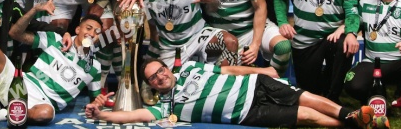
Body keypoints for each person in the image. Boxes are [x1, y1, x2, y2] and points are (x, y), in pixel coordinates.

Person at [86, 58, 381, 129]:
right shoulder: (166, 106)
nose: (161, 76)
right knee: (304, 116)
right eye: (154, 78)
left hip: (254, 85)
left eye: (161, 70)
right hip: (248, 113)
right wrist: (103, 115)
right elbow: (134, 115)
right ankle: (356, 123)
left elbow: (229, 70)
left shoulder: (189, 67)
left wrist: (262, 70)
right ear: (151, 85)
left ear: (167, 67)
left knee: (303, 96)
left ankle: (349, 114)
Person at [0, 13, 103, 126]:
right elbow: (15, 33)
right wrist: (35, 10)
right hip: (20, 85)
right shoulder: (56, 40)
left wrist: (98, 102)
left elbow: (95, 101)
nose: (91, 34)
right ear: (78, 30)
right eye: (88, 28)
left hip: (42, 103)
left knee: (46, 114)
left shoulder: (95, 67)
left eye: (96, 32)